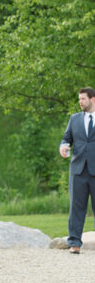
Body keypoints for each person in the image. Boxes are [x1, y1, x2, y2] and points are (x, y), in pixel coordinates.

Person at [59, 86, 95, 254]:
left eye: (83, 99)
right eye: (79, 99)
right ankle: (74, 243)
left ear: (92, 99)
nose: (80, 102)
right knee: (76, 208)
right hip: (78, 170)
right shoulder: (74, 119)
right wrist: (63, 147)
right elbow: (66, 139)